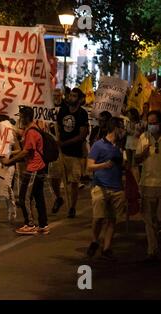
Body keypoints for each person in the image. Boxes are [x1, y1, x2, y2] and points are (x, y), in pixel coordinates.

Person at [0, 106, 49, 235]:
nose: (19, 119)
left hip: (34, 169)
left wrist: (9, 161)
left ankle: (30, 224)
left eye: (21, 116)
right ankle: (43, 225)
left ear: (26, 117)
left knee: (24, 197)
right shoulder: (31, 129)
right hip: (38, 168)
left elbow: (26, 152)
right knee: (38, 197)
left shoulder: (32, 132)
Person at [86, 117, 126, 261]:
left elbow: (122, 166)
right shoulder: (98, 145)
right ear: (115, 128)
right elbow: (89, 166)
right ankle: (94, 241)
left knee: (112, 219)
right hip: (100, 187)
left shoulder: (120, 147)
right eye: (121, 127)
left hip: (117, 188)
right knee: (98, 218)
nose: (123, 130)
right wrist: (104, 165)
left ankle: (107, 247)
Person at [50, 87, 90, 218]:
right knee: (53, 177)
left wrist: (64, 143)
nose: (70, 98)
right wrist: (57, 140)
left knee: (74, 182)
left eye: (74, 96)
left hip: (75, 153)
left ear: (79, 99)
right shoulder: (63, 110)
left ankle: (72, 207)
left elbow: (82, 135)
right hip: (61, 152)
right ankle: (59, 198)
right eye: (70, 95)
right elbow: (59, 128)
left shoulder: (82, 114)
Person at [135, 110, 161, 263]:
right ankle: (152, 251)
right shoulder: (144, 138)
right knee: (149, 221)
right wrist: (143, 154)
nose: (151, 126)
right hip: (147, 184)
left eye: (154, 123)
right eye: (149, 124)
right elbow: (137, 159)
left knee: (158, 220)